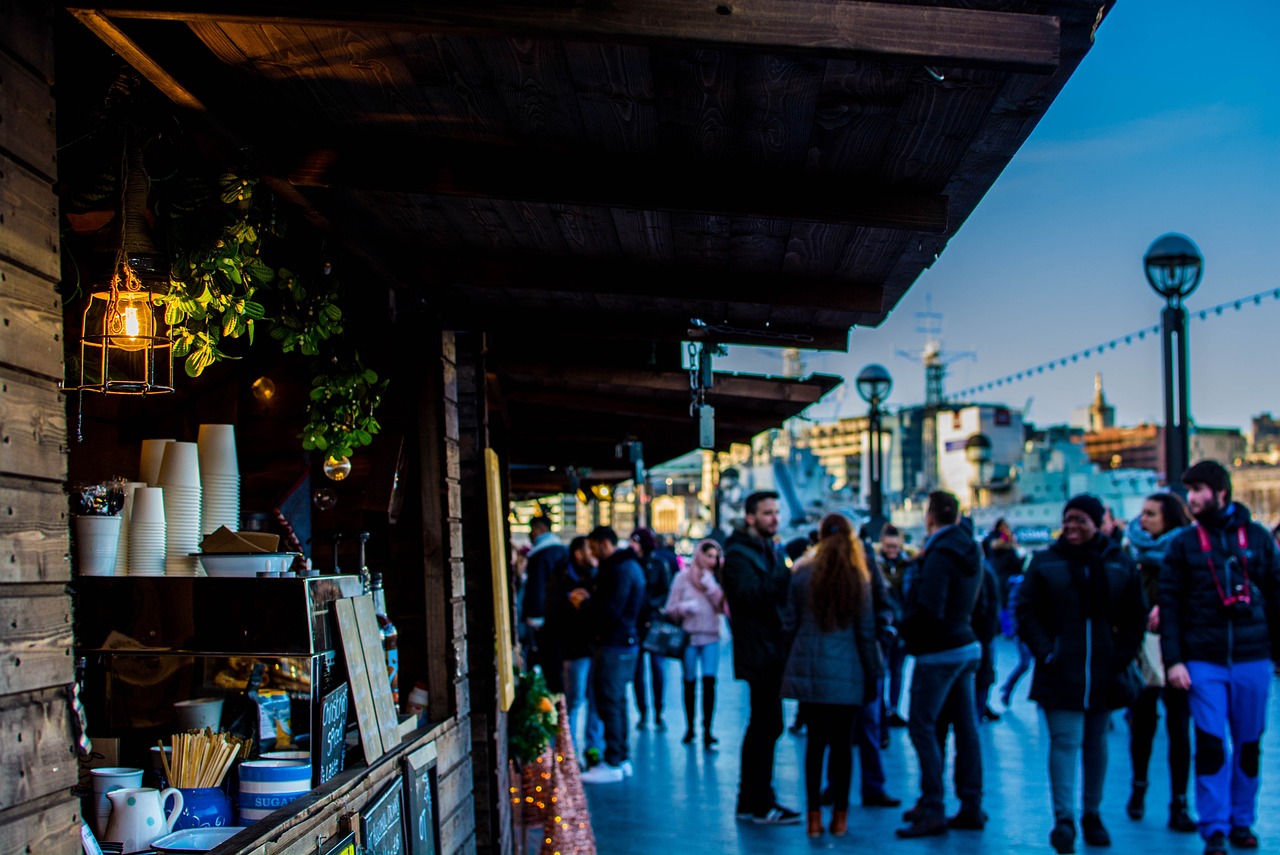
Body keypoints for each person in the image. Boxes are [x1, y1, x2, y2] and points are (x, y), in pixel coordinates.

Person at [1160, 461, 1280, 855]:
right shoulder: (1183, 544)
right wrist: (1174, 661)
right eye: (1189, 491)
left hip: (1253, 659)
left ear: (1220, 492)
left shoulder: (1258, 539)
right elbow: (1171, 606)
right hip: (1203, 662)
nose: (1191, 499)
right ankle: (1214, 826)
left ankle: (1242, 821)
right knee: (1211, 745)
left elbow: (1277, 598)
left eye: (1198, 491)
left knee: (1249, 745)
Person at [1018, 494, 1147, 855]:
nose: (1072, 527)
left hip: (1105, 670)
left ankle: (1092, 812)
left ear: (1097, 523)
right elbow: (1026, 610)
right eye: (1068, 519)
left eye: (1081, 520)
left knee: (1096, 744)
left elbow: (1136, 614)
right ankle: (1064, 819)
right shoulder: (1046, 562)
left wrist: (1122, 654)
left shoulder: (1119, 563)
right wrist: (1046, 651)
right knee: (1064, 742)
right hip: (1060, 670)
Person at [782, 513, 883, 838]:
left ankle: (813, 817)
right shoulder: (858, 578)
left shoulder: (801, 575)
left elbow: (789, 623)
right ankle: (840, 816)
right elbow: (867, 632)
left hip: (811, 673)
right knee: (842, 748)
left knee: (815, 746)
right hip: (848, 673)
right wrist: (873, 674)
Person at [896, 491, 985, 838]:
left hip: (938, 651)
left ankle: (932, 805)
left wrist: (906, 631)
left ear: (929, 517)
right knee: (966, 728)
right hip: (966, 645)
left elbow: (929, 607)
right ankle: (971, 803)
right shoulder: (970, 549)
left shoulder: (937, 555)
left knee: (922, 726)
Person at [722, 491, 800, 824]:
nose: (775, 518)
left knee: (766, 725)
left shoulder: (764, 549)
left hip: (769, 650)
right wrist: (786, 571)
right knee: (765, 725)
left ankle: (753, 799)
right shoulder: (740, 554)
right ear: (751, 517)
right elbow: (751, 596)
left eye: (777, 512)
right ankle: (758, 801)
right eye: (768, 513)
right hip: (759, 652)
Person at [1123, 492, 1195, 831]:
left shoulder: (1186, 551)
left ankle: (1178, 802)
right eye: (1143, 513)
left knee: (1179, 728)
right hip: (1142, 647)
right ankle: (1138, 789)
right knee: (1142, 725)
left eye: (1151, 514)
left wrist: (1169, 609)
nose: (1143, 520)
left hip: (1177, 647)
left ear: (1169, 518)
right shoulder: (1131, 551)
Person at [578, 526, 646, 785]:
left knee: (610, 701)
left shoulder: (619, 570)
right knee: (617, 702)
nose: (593, 554)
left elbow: (609, 610)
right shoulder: (629, 566)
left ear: (604, 544)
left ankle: (614, 760)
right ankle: (620, 757)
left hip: (615, 644)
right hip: (625, 643)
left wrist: (584, 604)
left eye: (594, 547)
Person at [546, 536, 604, 766]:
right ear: (579, 554)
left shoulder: (595, 576)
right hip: (574, 649)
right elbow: (556, 614)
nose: (594, 555)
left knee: (592, 700)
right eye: (590, 550)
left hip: (591, 647)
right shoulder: (563, 578)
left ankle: (592, 748)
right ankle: (570, 752)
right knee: (575, 700)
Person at [664, 538, 727, 749]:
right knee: (689, 682)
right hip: (690, 637)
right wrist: (684, 608)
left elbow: (724, 607)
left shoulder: (716, 578)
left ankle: (708, 729)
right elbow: (670, 608)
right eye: (708, 556)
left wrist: (712, 587)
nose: (712, 560)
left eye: (715, 557)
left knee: (709, 683)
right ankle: (690, 727)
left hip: (711, 636)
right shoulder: (683, 578)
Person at [630, 528, 674, 730]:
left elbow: (666, 591)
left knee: (657, 667)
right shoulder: (632, 565)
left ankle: (658, 710)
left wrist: (652, 604)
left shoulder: (659, 564)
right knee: (638, 670)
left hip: (654, 623)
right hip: (636, 622)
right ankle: (643, 710)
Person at [521, 516, 569, 685]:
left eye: (532, 529)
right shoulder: (561, 550)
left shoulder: (540, 555)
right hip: (559, 615)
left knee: (548, 661)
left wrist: (535, 616)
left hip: (545, 618)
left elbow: (537, 587)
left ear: (540, 529)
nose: (530, 534)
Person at [877, 524, 912, 728]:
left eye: (895, 546)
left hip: (902, 625)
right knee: (883, 670)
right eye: (889, 546)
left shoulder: (908, 564)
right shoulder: (877, 565)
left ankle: (893, 709)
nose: (892, 550)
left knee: (897, 669)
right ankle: (883, 710)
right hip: (885, 626)